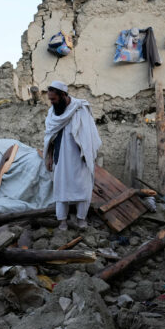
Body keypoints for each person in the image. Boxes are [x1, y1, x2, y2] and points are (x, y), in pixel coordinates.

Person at [43, 81, 102, 230]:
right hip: (60, 157)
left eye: (53, 99)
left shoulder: (80, 109)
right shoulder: (52, 113)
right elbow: (50, 136)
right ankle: (62, 220)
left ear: (63, 95)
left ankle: (81, 219)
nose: (52, 102)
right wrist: (50, 156)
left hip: (79, 157)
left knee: (83, 187)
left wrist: (87, 153)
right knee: (61, 187)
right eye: (50, 99)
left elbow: (90, 134)